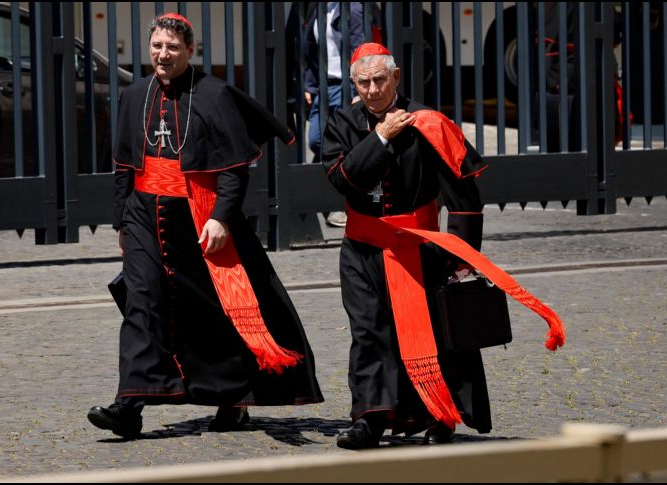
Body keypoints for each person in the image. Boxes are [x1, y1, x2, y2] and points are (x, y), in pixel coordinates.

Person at [88, 13, 323, 438]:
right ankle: (130, 405)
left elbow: (234, 171)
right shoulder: (133, 94)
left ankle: (234, 400)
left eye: (172, 48)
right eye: (157, 46)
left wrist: (221, 217)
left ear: (189, 51)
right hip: (143, 215)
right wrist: (121, 219)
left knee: (214, 312)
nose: (163, 54)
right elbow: (123, 165)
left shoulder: (213, 96)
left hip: (198, 216)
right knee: (141, 304)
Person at [321, 43, 566, 449]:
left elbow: (465, 199)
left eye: (380, 80)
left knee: (433, 334)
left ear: (396, 78)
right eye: (363, 82)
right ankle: (370, 418)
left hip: (421, 248)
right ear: (353, 84)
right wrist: (380, 137)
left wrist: (461, 259)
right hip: (363, 250)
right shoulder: (342, 123)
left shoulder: (429, 122)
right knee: (369, 334)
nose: (372, 89)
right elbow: (344, 182)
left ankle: (440, 417)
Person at [303, 2, 374, 227]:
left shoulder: (352, 8)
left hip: (346, 86)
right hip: (324, 87)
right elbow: (311, 49)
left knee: (341, 143)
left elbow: (360, 50)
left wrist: (357, 90)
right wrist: (310, 86)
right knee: (317, 140)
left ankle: (336, 204)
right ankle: (330, 198)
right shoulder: (317, 8)